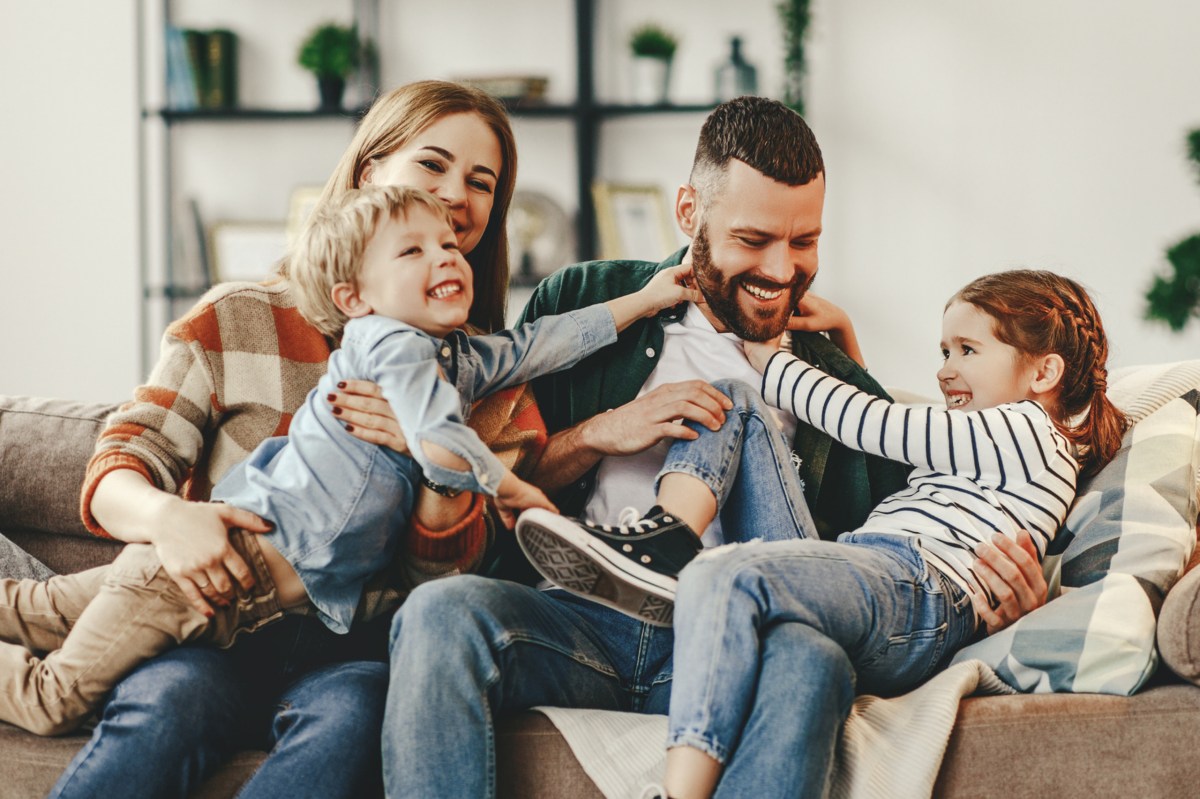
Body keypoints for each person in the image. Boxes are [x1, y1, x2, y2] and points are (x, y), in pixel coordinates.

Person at [380, 96, 1054, 798]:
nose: (782, 269)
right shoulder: (587, 298)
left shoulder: (830, 378)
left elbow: (891, 548)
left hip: (736, 641)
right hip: (579, 622)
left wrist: (1001, 591)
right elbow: (500, 488)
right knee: (439, 613)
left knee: (813, 657)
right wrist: (600, 432)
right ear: (688, 212)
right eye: (754, 238)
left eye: (804, 242)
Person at [0, 185, 697, 737]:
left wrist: (645, 299)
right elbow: (435, 433)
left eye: (449, 244)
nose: (446, 257)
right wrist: (512, 486)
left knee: (34, 608)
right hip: (202, 573)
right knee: (52, 698)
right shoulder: (387, 344)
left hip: (239, 600)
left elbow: (542, 341)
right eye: (413, 251)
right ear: (354, 297)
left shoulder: (453, 355)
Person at [14, 80, 531, 798]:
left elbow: (438, 594)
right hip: (209, 626)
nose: (456, 196)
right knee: (164, 705)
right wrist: (172, 519)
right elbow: (120, 464)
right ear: (368, 174)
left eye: (482, 183)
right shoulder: (239, 316)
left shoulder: (477, 376)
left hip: (349, 651)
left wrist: (431, 454)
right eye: (433, 166)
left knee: (351, 721)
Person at [625, 269, 1128, 799]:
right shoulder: (989, 444)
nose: (945, 371)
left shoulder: (1027, 429)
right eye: (943, 352)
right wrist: (843, 333)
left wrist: (770, 357)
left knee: (724, 573)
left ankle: (676, 791)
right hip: (877, 580)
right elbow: (895, 438)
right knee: (799, 655)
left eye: (966, 350)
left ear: (1044, 372)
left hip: (920, 587)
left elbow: (874, 424)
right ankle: (667, 537)